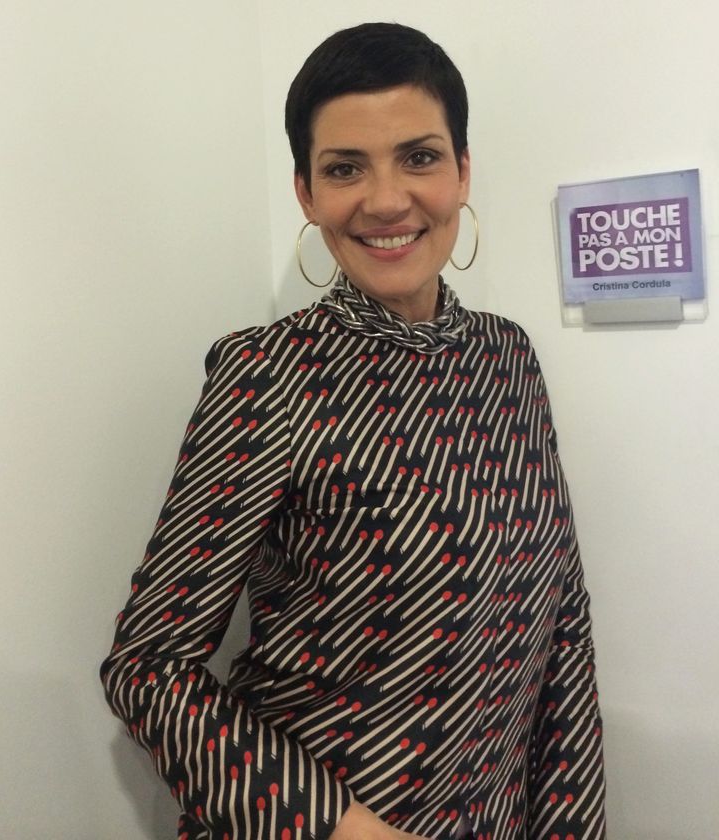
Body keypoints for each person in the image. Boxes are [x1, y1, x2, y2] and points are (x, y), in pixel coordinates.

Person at [101, 22, 606, 840]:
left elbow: (563, 625)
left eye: (419, 157)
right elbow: (148, 666)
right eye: (345, 168)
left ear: (463, 170)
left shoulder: (509, 358)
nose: (386, 200)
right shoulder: (268, 373)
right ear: (306, 193)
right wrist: (347, 831)